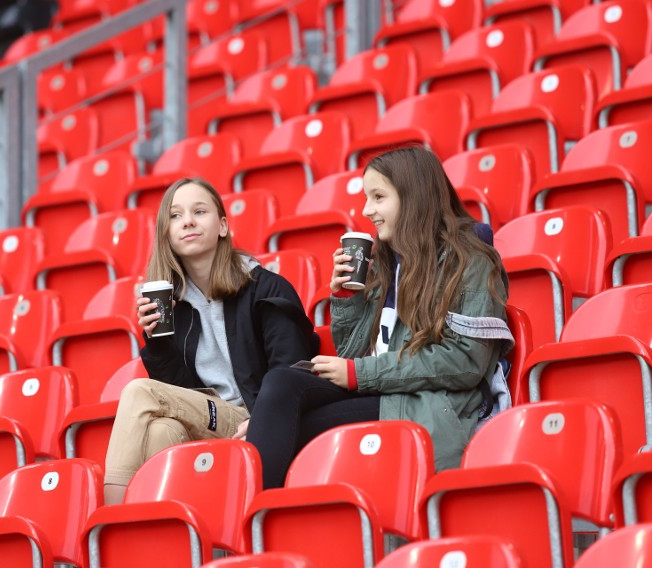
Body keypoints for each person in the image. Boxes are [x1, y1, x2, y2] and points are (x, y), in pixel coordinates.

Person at [245, 145, 514, 489]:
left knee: (296, 426)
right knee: (282, 383)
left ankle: (257, 519)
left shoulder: (472, 262)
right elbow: (351, 353)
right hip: (380, 391)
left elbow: (463, 362)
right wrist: (347, 298)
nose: (366, 210)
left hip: (427, 403)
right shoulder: (387, 261)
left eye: (378, 197)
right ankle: (254, 513)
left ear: (413, 197)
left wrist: (360, 374)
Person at [103, 177, 318, 504]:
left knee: (137, 391)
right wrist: (158, 342)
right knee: (161, 431)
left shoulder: (266, 289)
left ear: (222, 226)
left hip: (254, 417)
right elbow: (180, 392)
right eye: (175, 216)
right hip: (208, 417)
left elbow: (290, 371)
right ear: (168, 236)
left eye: (199, 211)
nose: (187, 220)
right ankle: (173, 536)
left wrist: (262, 420)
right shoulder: (175, 305)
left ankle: (113, 517)